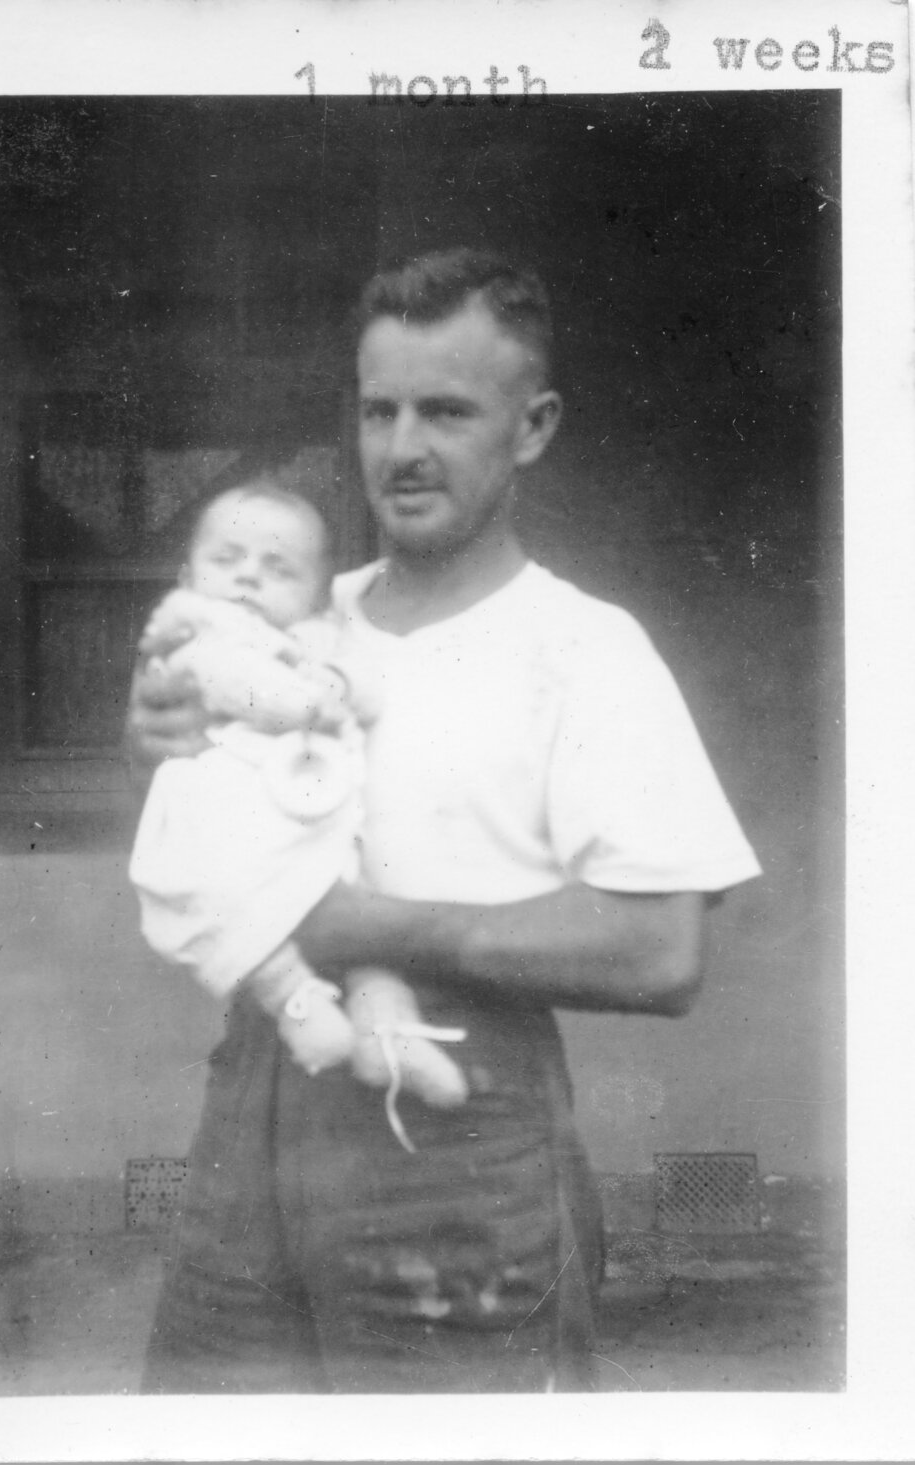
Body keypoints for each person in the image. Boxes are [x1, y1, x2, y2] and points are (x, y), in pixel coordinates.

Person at [128, 248, 761, 1394]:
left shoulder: (585, 649)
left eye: (448, 411)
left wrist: (362, 926)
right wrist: (160, 720)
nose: (403, 446)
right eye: (380, 410)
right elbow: (199, 757)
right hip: (256, 1099)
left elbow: (663, 950)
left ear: (533, 426)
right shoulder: (295, 618)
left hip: (458, 1125)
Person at [129, 476, 469, 1125]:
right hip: (228, 818)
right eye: (226, 559)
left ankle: (388, 1030)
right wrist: (313, 700)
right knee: (250, 907)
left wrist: (336, 680)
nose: (248, 577)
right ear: (188, 575)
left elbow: (365, 688)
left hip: (305, 816)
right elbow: (245, 689)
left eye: (278, 568)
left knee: (360, 905)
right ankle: (296, 1003)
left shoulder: (316, 637)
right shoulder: (199, 632)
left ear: (315, 594)